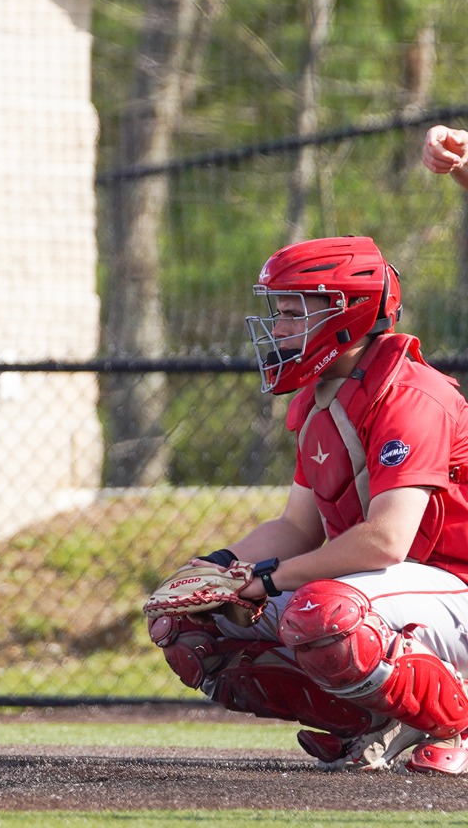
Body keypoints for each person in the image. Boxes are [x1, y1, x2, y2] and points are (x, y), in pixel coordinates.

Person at [147, 235, 468, 775]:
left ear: (351, 314)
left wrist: (269, 580)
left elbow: (386, 540)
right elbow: (298, 526)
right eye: (278, 312)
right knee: (191, 628)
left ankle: (456, 720)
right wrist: (219, 569)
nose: (279, 328)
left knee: (321, 614)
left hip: (453, 588)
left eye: (294, 312)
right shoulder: (323, 397)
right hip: (389, 590)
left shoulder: (413, 396)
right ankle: (368, 722)